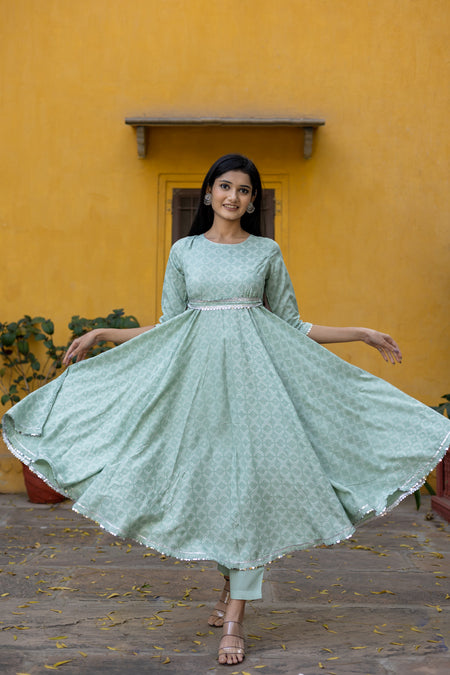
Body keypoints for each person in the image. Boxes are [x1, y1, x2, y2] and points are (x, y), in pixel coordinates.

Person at [3, 154, 449, 667]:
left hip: (260, 394)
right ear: (209, 192)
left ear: (253, 200)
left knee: (251, 493)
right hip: (197, 392)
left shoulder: (266, 252)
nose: (233, 197)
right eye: (224, 186)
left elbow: (293, 324)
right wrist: (105, 333)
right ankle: (228, 583)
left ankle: (236, 616)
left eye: (243, 190)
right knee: (215, 487)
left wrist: (361, 332)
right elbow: (170, 324)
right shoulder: (185, 251)